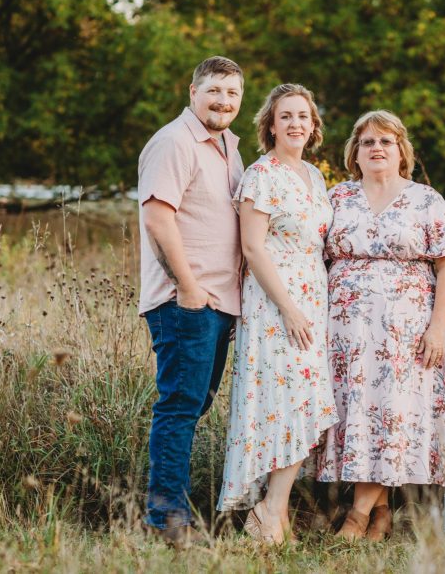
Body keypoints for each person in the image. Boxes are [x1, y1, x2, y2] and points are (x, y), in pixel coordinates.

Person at [316, 110, 445, 540]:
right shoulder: (337, 197)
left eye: (386, 141)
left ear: (401, 151)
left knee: (392, 415)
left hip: (405, 331)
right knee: (358, 414)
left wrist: (437, 327)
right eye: (367, 142)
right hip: (344, 332)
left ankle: (358, 515)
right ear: (354, 154)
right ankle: (381, 510)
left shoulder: (425, 199)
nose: (377, 148)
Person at [217, 83, 338, 544]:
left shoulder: (314, 175)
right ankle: (269, 510)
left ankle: (275, 508)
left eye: (303, 116)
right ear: (270, 124)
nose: (295, 124)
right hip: (274, 302)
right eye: (286, 116)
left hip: (313, 298)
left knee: (303, 401)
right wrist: (287, 307)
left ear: (313, 125)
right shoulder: (261, 174)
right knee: (282, 402)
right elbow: (252, 246)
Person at [137, 56, 245, 547]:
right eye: (214, 90)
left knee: (194, 403)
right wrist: (187, 286)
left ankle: (173, 507)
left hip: (220, 302)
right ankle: (167, 520)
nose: (223, 101)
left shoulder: (228, 147)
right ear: (192, 91)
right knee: (180, 404)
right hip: (188, 300)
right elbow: (158, 218)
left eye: (232, 94)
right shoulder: (174, 142)